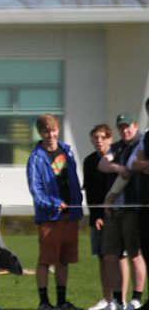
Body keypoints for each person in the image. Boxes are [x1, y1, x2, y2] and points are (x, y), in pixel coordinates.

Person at [27, 114, 83, 310]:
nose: (50, 135)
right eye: (46, 131)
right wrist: (54, 203)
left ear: (58, 130)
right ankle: (44, 302)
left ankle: (61, 301)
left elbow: (74, 180)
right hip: (49, 217)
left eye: (53, 130)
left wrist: (77, 203)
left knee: (64, 260)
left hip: (70, 215)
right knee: (46, 260)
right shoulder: (35, 158)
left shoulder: (67, 151)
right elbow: (36, 191)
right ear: (40, 133)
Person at [98, 114, 145, 310]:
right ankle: (117, 300)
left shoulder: (142, 144)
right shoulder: (117, 147)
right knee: (110, 255)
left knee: (134, 254)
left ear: (135, 126)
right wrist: (119, 168)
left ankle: (136, 298)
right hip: (114, 209)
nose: (125, 131)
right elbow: (102, 164)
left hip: (132, 208)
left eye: (128, 127)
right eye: (121, 128)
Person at [83, 124, 126, 310]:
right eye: (95, 137)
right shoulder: (89, 161)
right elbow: (90, 192)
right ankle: (107, 299)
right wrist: (96, 216)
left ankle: (121, 300)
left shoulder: (119, 157)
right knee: (102, 256)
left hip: (118, 214)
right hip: (99, 216)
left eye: (103, 137)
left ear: (110, 139)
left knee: (120, 256)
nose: (99, 141)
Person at [130, 98, 149, 310]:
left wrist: (143, 165)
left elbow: (141, 164)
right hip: (144, 202)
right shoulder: (147, 136)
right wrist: (142, 165)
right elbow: (136, 164)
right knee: (147, 250)